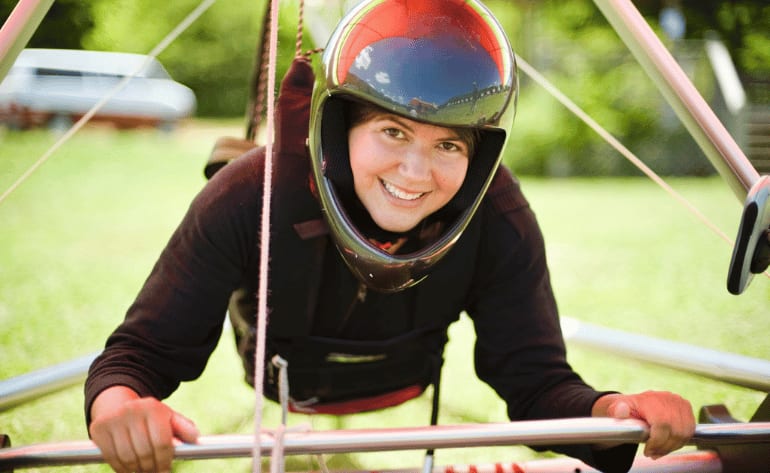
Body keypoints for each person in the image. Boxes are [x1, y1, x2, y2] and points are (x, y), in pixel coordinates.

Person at [85, 1, 695, 472]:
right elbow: (139, 354)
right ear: (343, 122)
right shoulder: (251, 192)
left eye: (449, 144)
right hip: (280, 370)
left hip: (408, 371)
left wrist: (615, 413)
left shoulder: (497, 213)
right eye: (393, 132)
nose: (415, 172)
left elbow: (534, 380)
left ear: (479, 155)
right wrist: (118, 405)